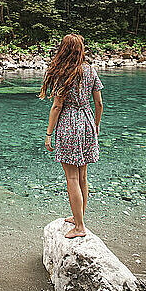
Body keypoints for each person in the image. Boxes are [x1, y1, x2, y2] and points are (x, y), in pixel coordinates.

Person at [39, 34, 104, 238]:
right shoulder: (91, 71)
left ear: (64, 50)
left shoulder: (63, 73)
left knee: (72, 177)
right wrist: (96, 125)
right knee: (83, 176)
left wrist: (49, 133)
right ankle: (79, 218)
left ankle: (79, 227)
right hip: (86, 123)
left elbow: (57, 106)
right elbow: (99, 104)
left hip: (68, 124)